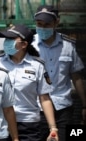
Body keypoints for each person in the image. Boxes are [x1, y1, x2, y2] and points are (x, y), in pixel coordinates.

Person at [0, 24, 58, 141]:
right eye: (6, 39)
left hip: (28, 124)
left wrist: (53, 128)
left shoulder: (37, 66)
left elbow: (45, 98)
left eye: (11, 39)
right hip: (0, 122)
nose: (6, 42)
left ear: (24, 44)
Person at [32, 5, 86, 141]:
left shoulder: (68, 46)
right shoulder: (29, 46)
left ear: (57, 22)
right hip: (36, 109)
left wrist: (85, 104)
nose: (43, 28)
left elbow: (76, 76)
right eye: (40, 24)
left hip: (63, 108)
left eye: (47, 24)